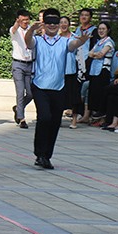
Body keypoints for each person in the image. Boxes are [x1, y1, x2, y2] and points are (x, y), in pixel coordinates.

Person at [23, 9, 90, 169]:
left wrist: (81, 40)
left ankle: (46, 156)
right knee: (44, 117)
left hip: (59, 87)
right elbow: (28, 42)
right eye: (49, 23)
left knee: (55, 121)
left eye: (55, 23)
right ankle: (39, 152)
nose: (52, 26)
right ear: (44, 24)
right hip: (40, 86)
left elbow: (74, 45)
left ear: (59, 25)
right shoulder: (38, 40)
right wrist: (31, 29)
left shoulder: (64, 41)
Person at [70, 8, 97, 128]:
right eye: (82, 15)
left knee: (82, 87)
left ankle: (82, 113)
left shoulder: (93, 30)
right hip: (76, 60)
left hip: (86, 61)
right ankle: (76, 111)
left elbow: (94, 46)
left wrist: (89, 61)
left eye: (87, 15)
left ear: (90, 17)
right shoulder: (78, 29)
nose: (84, 17)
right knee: (76, 87)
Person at [86, 22, 115, 121]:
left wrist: (95, 54)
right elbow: (89, 54)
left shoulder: (109, 42)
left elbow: (100, 55)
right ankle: (94, 116)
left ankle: (100, 116)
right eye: (99, 29)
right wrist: (95, 54)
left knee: (100, 93)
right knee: (93, 93)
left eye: (103, 29)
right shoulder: (99, 42)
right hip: (94, 71)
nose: (101, 31)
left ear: (108, 30)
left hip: (103, 71)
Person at [10, 9, 33, 129]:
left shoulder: (31, 30)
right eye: (22, 20)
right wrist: (17, 24)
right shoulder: (15, 30)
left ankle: (18, 108)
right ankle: (22, 118)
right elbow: (13, 29)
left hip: (30, 64)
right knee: (20, 91)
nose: (25, 22)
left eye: (26, 19)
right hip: (18, 64)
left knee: (30, 93)